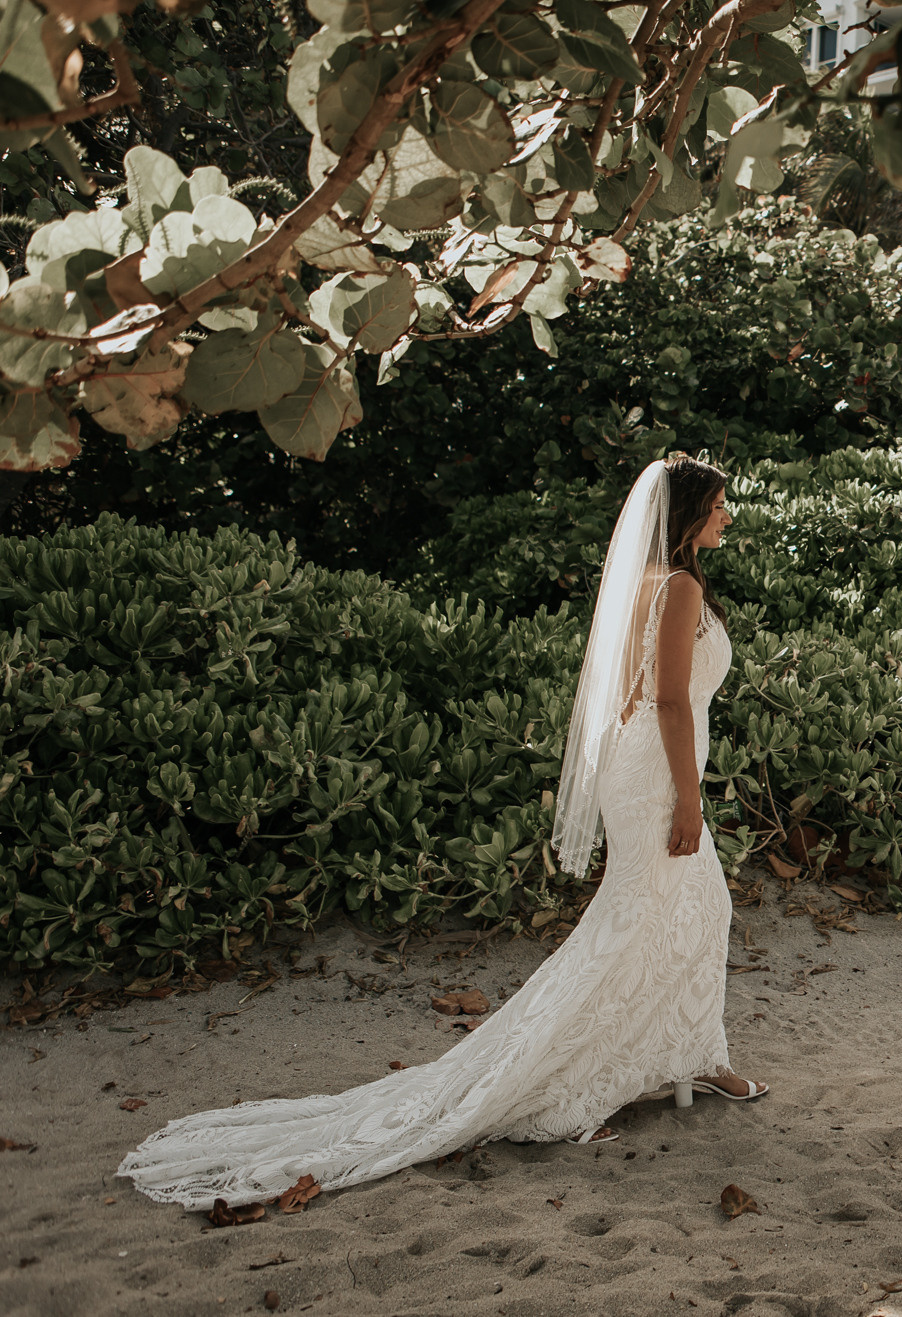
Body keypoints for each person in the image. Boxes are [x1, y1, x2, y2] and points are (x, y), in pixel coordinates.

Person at [119, 456, 765, 1212]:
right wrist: (687, 797)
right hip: (658, 777)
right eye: (720, 505)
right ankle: (567, 1093)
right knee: (632, 930)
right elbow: (668, 702)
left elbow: (629, 693)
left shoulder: (646, 583)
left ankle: (697, 1057)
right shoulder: (680, 587)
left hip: (640, 772)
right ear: (690, 513)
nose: (728, 517)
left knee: (694, 910)